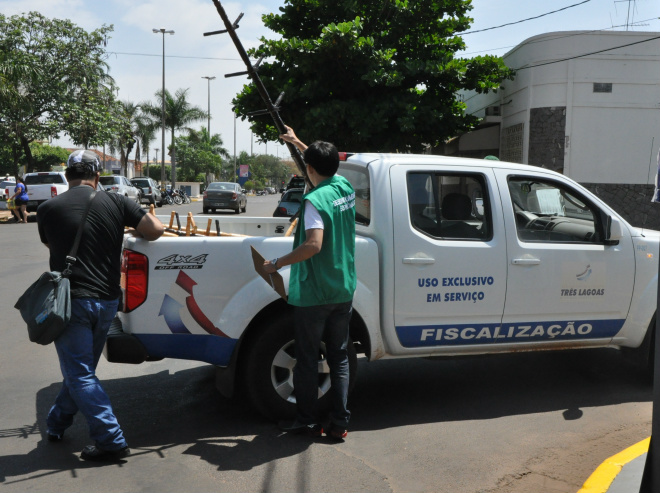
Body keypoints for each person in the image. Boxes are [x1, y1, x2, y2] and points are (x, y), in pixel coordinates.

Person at [37, 150, 164, 462]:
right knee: (82, 371)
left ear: (67, 176)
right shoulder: (118, 202)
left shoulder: (48, 208)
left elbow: (50, 245)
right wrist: (126, 228)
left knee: (79, 372)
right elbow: (156, 230)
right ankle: (56, 422)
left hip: (71, 303)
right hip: (107, 302)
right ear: (97, 176)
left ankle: (111, 439)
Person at [263, 126, 356, 440]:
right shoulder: (343, 185)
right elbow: (322, 166)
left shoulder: (314, 200)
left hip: (316, 293)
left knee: (306, 359)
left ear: (310, 169)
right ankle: (340, 423)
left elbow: (313, 245)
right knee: (339, 356)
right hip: (343, 287)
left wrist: (276, 263)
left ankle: (305, 420)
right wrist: (297, 142)